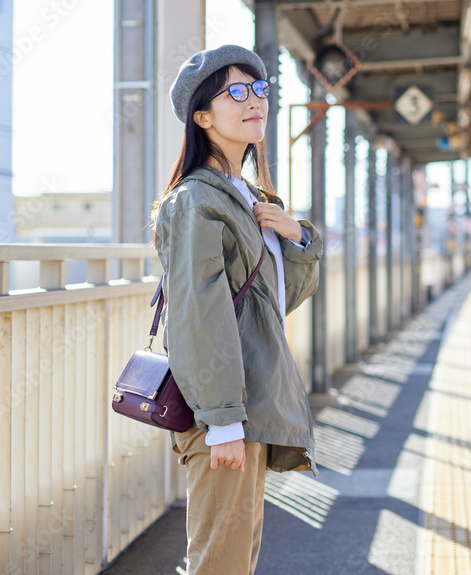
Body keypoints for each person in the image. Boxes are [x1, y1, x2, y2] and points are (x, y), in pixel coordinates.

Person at [152, 44, 322, 574]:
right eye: (237, 92)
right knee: (218, 563)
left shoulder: (246, 196)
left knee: (236, 559)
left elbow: (274, 304)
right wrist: (224, 422)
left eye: (261, 89)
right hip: (223, 413)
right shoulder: (195, 200)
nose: (256, 102)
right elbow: (200, 314)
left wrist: (299, 238)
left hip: (249, 405)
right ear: (202, 116)